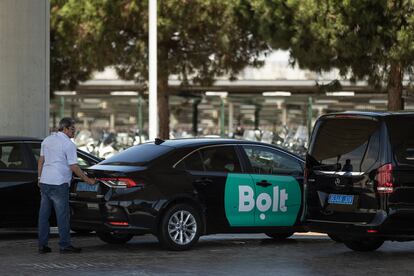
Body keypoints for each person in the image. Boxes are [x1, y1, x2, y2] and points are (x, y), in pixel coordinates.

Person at [37, 117, 96, 254]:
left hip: (45, 181)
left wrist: (39, 178)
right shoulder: (68, 144)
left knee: (43, 215)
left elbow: (41, 161)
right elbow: (74, 166)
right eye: (72, 129)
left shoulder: (47, 140)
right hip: (59, 183)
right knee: (62, 216)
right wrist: (88, 180)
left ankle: (42, 245)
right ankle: (64, 245)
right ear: (65, 129)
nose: (74, 132)